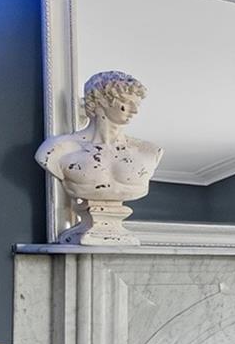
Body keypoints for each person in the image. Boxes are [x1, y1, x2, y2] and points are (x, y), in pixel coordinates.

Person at [36, 70, 163, 245]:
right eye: (126, 102)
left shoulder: (149, 152)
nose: (135, 110)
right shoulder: (57, 150)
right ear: (100, 100)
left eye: (137, 104)